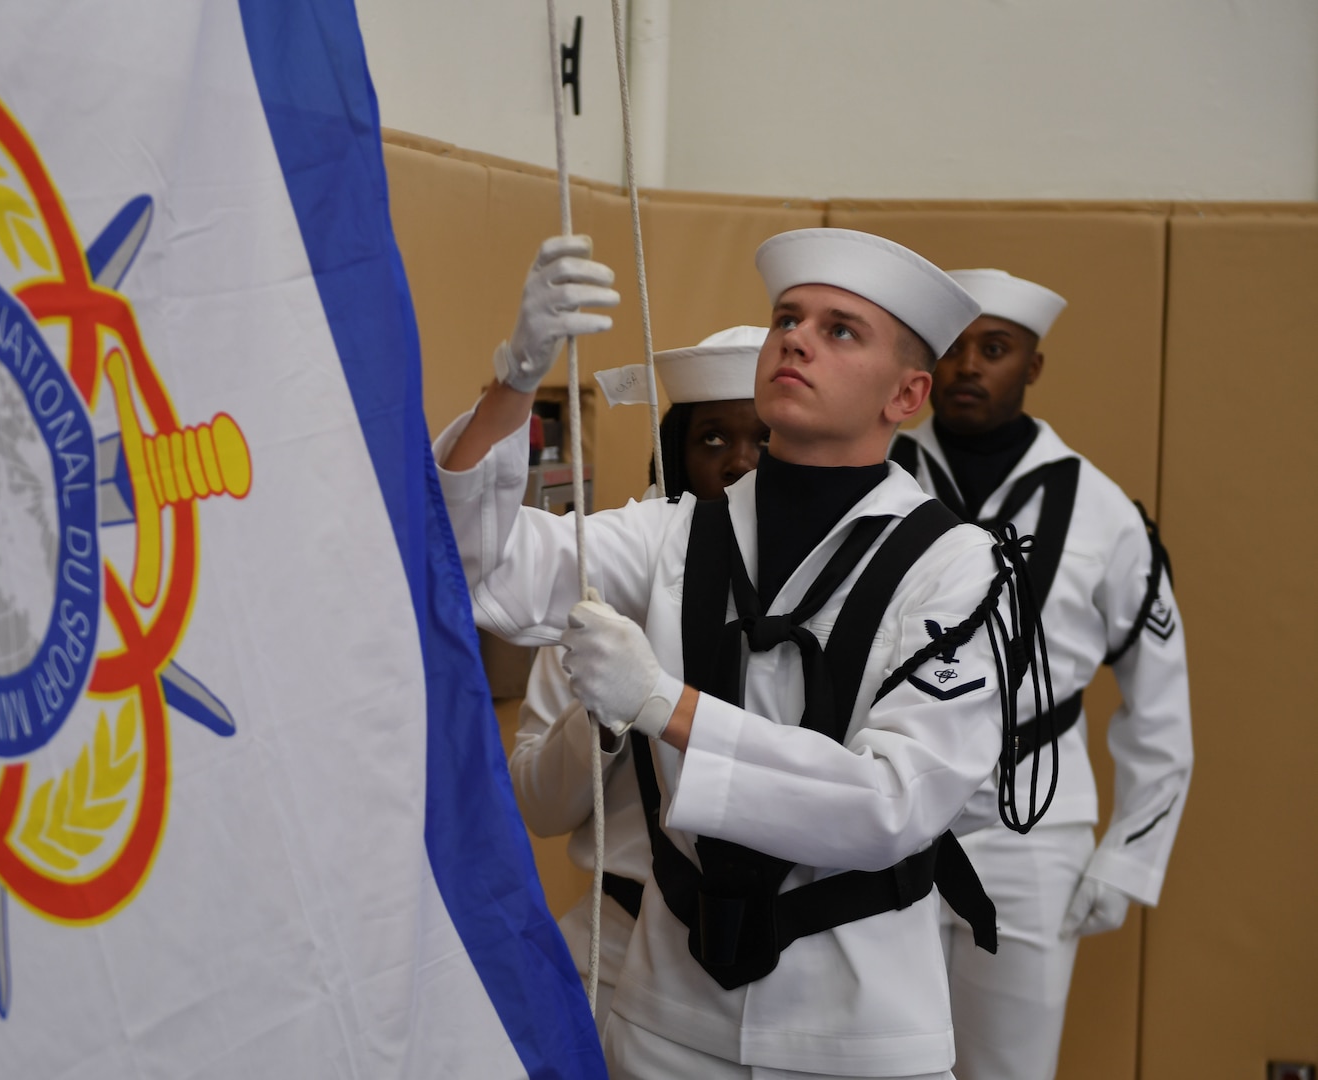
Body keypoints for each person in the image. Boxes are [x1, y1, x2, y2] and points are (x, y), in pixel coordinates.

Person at [439, 229, 1038, 1079]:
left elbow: (891, 804)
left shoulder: (957, 567)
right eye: (787, 318)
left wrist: (663, 705)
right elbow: (471, 562)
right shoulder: (673, 534)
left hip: (857, 1032)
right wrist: (515, 377)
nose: (795, 336)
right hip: (664, 1021)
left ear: (906, 394)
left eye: (840, 330)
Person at [889, 268, 1193, 1080]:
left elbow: (1160, 696)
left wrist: (1129, 853)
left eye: (995, 349)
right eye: (952, 349)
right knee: (876, 1056)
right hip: (885, 809)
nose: (967, 368)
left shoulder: (1103, 512)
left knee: (1009, 1067)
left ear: (1032, 365)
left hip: (1036, 823)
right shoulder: (875, 481)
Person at [510, 326, 770, 1031]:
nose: (742, 463)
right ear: (675, 453)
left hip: (779, 968)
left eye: (766, 440)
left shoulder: (827, 598)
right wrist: (605, 708)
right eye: (713, 439)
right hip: (615, 946)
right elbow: (538, 804)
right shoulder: (603, 587)